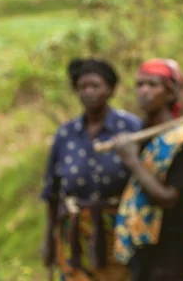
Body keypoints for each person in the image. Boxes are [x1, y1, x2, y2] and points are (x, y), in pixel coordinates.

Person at [111, 58, 183, 281]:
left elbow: (169, 198)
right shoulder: (142, 134)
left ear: (170, 94)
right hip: (145, 246)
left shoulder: (179, 141)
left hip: (172, 249)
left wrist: (132, 160)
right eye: (140, 84)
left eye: (152, 85)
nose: (144, 91)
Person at [40, 58, 142, 281]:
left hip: (118, 233)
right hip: (74, 235)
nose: (88, 92)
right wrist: (48, 239)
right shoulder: (66, 134)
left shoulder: (131, 128)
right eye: (82, 87)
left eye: (95, 86)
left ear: (110, 89)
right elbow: (52, 192)